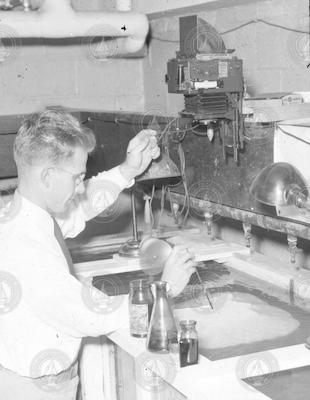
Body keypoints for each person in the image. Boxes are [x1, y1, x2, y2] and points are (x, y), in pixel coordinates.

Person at [0, 107, 196, 400]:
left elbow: (83, 205)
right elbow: (89, 316)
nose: (81, 188)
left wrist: (129, 168)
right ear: (48, 176)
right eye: (78, 178)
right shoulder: (26, 246)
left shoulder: (25, 215)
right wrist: (163, 291)